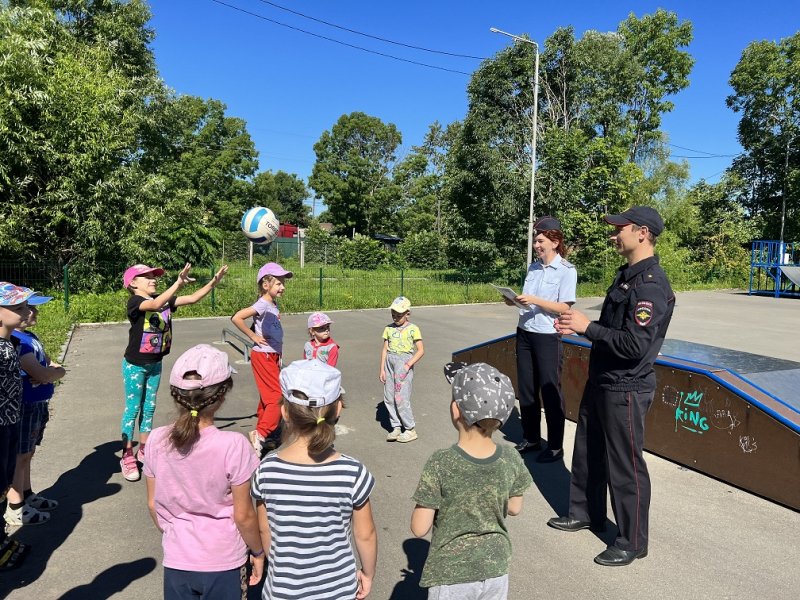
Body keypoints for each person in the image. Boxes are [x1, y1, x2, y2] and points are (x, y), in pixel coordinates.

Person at [547, 206, 675, 567]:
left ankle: (632, 540)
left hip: (627, 386)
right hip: (603, 378)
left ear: (642, 233)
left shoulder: (651, 286)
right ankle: (585, 511)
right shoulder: (626, 277)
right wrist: (579, 326)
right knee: (588, 451)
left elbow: (635, 345)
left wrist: (587, 328)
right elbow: (612, 333)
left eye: (620, 229)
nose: (614, 234)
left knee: (625, 465)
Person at [143, 344, 263, 599]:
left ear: (176, 394)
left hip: (177, 558)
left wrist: (176, 534)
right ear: (222, 396)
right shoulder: (234, 444)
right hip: (224, 559)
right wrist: (258, 552)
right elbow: (243, 514)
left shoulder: (155, 439)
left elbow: (153, 505)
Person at [251, 359, 377, 599]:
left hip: (282, 589)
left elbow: (265, 529)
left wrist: (279, 566)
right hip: (337, 589)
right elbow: (365, 534)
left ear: (285, 412)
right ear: (338, 409)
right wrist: (367, 573)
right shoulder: (353, 472)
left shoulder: (266, 471)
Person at [411, 362, 532, 599]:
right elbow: (515, 508)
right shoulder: (510, 456)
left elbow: (419, 528)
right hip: (496, 568)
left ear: (456, 410)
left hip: (451, 574)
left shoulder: (441, 461)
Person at [120, 263, 228, 482]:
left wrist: (214, 281)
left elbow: (193, 298)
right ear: (132, 283)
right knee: (133, 410)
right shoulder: (136, 302)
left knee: (149, 408)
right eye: (147, 277)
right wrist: (178, 282)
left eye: (154, 276)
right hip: (135, 365)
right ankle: (127, 454)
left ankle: (144, 449)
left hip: (155, 363)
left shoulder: (163, 298)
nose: (153, 279)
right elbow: (156, 304)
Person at [510, 216, 577, 462]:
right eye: (535, 241)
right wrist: (514, 300)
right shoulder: (533, 268)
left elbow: (563, 307)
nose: (536, 246)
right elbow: (528, 300)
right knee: (527, 391)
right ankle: (532, 438)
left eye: (540, 241)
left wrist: (535, 300)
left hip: (548, 337)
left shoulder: (567, 271)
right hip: (525, 331)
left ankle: (556, 446)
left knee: (550, 392)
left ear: (555, 241)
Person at [5, 294, 65, 526]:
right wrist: (50, 374)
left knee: (27, 453)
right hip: (26, 406)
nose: (33, 312)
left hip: (38, 404)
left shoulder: (30, 337)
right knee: (20, 456)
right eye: (27, 307)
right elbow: (41, 373)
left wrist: (53, 373)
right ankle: (15, 506)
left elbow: (52, 366)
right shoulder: (18, 342)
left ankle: (27, 493)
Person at [231, 262, 293, 457]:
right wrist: (253, 336)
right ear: (266, 285)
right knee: (276, 398)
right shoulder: (263, 303)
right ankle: (262, 434)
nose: (282, 286)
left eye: (283, 283)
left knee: (268, 396)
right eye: (278, 283)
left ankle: (266, 432)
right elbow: (237, 318)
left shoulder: (272, 303)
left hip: (272, 355)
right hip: (264, 355)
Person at [0, 283, 34, 570]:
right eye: (18, 307)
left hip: (11, 422)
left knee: (4, 481)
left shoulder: (11, 344)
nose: (25, 312)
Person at [379, 296, 424, 443]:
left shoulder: (413, 329)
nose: (396, 318)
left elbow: (420, 350)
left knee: (401, 398)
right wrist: (382, 370)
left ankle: (410, 429)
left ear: (407, 314)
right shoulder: (388, 329)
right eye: (393, 315)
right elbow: (385, 350)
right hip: (389, 363)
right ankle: (396, 426)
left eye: (399, 315)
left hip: (403, 363)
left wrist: (407, 365)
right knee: (389, 396)